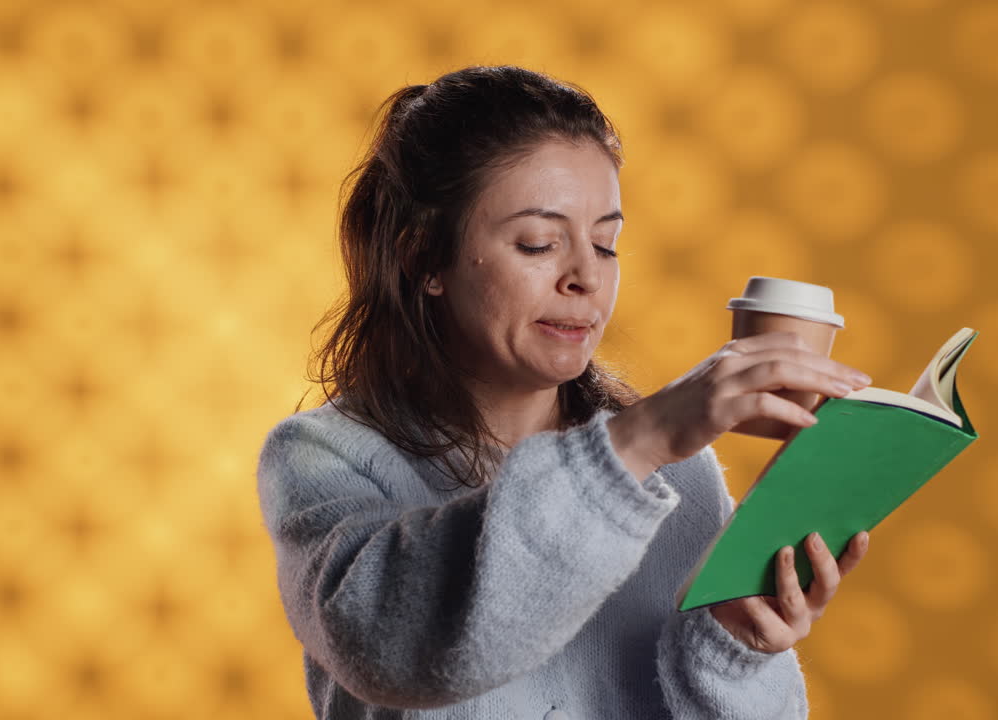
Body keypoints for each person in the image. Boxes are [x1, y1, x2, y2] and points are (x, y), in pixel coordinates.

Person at [255, 65, 874, 719]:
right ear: (422, 259)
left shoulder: (678, 471)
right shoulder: (320, 458)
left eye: (606, 244)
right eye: (539, 242)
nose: (586, 276)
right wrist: (643, 439)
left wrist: (735, 650)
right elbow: (402, 649)